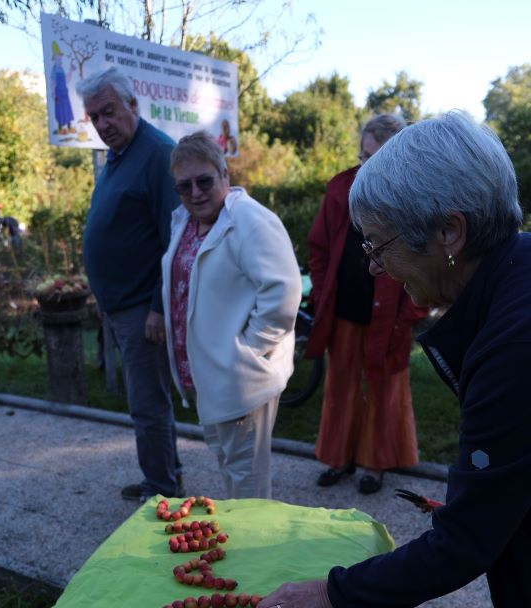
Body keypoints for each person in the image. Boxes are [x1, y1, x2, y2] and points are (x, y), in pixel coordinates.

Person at [245, 112, 531, 608]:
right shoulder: (515, 279)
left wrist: (332, 592)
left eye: (380, 246)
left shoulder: (512, 340)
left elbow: (464, 548)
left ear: (449, 231)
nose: (373, 269)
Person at [160, 131, 301, 499]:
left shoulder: (250, 220)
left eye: (204, 181)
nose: (195, 193)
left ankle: (257, 554)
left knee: (248, 483)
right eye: (184, 186)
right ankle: (243, 548)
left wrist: (247, 353)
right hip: (211, 376)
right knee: (230, 468)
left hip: (239, 378)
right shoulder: (186, 222)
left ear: (225, 174)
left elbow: (282, 292)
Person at [307, 114, 428, 495]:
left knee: (384, 387)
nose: (365, 167)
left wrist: (410, 315)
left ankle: (375, 463)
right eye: (362, 156)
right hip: (344, 310)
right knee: (340, 386)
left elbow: (429, 263)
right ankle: (338, 457)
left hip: (389, 317)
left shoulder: (415, 198)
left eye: (374, 159)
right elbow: (320, 248)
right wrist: (324, 290)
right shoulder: (340, 189)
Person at [77, 67, 182, 502]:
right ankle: (162, 475)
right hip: (121, 305)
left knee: (147, 403)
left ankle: (162, 489)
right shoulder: (118, 156)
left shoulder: (157, 152)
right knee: (144, 401)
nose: (103, 125)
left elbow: (171, 236)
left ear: (132, 105)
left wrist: (159, 306)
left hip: (144, 308)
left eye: (109, 112)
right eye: (94, 117)